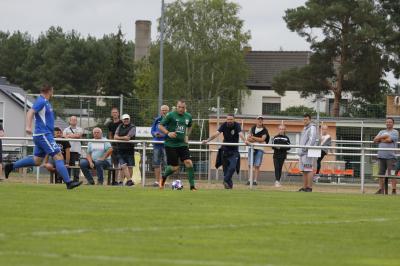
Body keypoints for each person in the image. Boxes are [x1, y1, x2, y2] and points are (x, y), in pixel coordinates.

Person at [4, 85, 82, 189]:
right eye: (52, 90)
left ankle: (11, 166)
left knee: (37, 161)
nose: (53, 92)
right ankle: (68, 183)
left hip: (42, 135)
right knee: (58, 155)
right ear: (49, 91)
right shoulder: (41, 101)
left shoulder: (45, 102)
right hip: (43, 134)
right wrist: (28, 126)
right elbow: (30, 112)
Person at [158, 99, 197, 190]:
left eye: (182, 107)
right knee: (175, 167)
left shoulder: (188, 116)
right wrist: (168, 133)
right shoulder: (170, 115)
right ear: (176, 106)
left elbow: (190, 125)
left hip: (182, 144)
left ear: (185, 108)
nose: (180, 109)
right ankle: (163, 178)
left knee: (189, 163)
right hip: (170, 145)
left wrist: (187, 135)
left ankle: (192, 187)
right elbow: (160, 126)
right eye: (179, 107)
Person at [202, 114, 246, 189]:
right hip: (225, 150)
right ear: (226, 120)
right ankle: (229, 187)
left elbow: (240, 134)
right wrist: (207, 140)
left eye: (231, 119)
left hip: (234, 151)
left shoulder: (237, 125)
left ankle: (225, 180)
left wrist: (245, 141)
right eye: (228, 119)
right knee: (226, 171)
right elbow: (216, 134)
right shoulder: (224, 125)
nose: (229, 121)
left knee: (232, 167)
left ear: (234, 120)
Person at [373, 117, 398, 194]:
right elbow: (375, 140)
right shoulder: (381, 131)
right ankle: (381, 189)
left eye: (390, 122)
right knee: (381, 174)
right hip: (381, 156)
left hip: (391, 157)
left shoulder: (395, 132)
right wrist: (384, 137)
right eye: (387, 122)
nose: (388, 123)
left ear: (393, 123)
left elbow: (389, 140)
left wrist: (380, 139)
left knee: (392, 174)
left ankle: (393, 190)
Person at [246, 115, 269, 186]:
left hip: (260, 149)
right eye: (259, 119)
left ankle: (255, 181)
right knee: (250, 165)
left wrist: (253, 137)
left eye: (261, 119)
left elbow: (262, 140)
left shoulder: (265, 130)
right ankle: (249, 180)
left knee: (257, 165)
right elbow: (248, 139)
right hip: (251, 148)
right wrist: (257, 139)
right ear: (256, 120)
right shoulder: (252, 128)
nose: (260, 120)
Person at [114, 114, 136, 186]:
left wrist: (119, 138)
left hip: (129, 149)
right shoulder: (119, 126)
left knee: (130, 166)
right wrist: (123, 138)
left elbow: (128, 137)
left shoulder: (133, 127)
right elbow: (115, 137)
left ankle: (126, 182)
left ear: (129, 119)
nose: (126, 120)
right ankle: (128, 181)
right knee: (123, 166)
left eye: (127, 119)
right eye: (124, 119)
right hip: (120, 149)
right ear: (122, 120)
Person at [151, 105, 169, 187]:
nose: (164, 111)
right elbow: (152, 131)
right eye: (162, 110)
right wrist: (155, 134)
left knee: (167, 163)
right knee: (156, 163)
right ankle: (157, 181)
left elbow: (171, 132)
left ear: (168, 111)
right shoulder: (157, 120)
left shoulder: (170, 120)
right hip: (157, 144)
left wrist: (162, 135)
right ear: (160, 111)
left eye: (165, 110)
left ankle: (165, 181)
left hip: (166, 144)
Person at [298, 113, 317, 192]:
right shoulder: (304, 128)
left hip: (308, 153)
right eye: (304, 119)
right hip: (302, 153)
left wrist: (305, 149)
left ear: (310, 120)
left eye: (306, 119)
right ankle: (304, 187)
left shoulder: (312, 127)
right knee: (304, 170)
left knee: (308, 169)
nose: (305, 121)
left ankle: (309, 188)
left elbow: (312, 139)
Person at [63, 116, 83, 181]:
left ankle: (76, 180)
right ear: (70, 121)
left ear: (77, 121)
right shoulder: (66, 129)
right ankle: (67, 180)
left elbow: (78, 135)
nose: (74, 121)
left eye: (75, 120)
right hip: (67, 151)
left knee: (76, 166)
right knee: (67, 165)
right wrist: (73, 136)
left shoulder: (80, 129)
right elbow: (64, 136)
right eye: (72, 120)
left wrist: (68, 135)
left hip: (76, 151)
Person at [106, 107, 122, 175]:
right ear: (111, 114)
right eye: (113, 113)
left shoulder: (122, 122)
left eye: (116, 112)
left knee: (122, 163)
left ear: (118, 114)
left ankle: (121, 180)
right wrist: (111, 142)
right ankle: (115, 180)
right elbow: (110, 134)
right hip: (114, 145)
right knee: (115, 163)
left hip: (121, 145)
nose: (114, 114)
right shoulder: (110, 124)